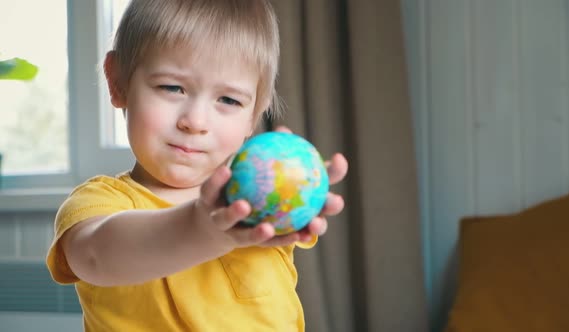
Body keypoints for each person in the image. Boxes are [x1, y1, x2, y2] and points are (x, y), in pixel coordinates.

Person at [46, 0, 348, 331]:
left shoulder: (259, 207)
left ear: (254, 114)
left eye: (229, 100)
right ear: (118, 82)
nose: (196, 121)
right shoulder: (100, 202)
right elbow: (96, 257)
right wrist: (203, 229)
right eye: (172, 87)